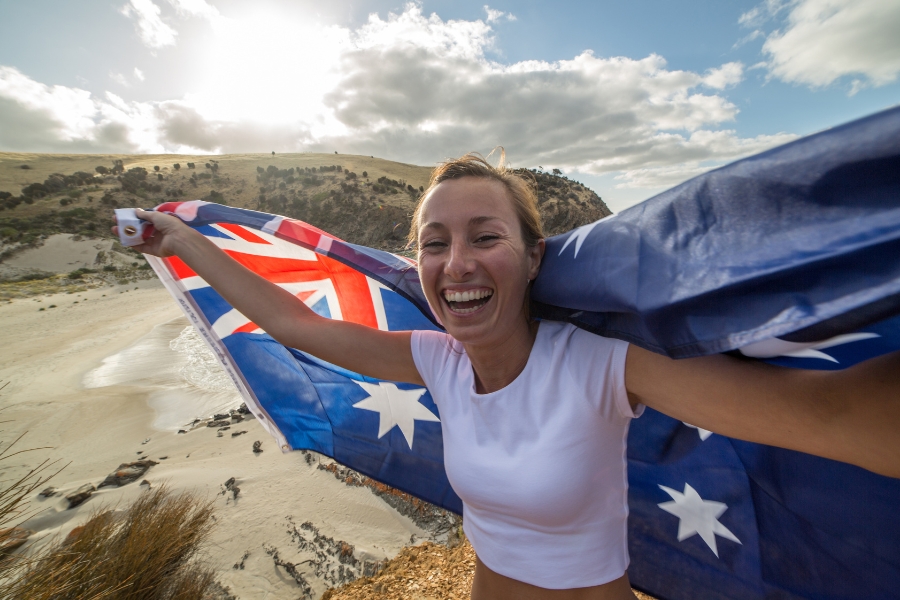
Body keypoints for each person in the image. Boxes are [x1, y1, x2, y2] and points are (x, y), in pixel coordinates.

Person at [119, 153, 900, 600]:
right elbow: (298, 325)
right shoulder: (437, 361)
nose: (455, 263)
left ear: (533, 257)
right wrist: (186, 245)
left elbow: (829, 418)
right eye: (434, 244)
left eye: (484, 236)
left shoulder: (604, 368)